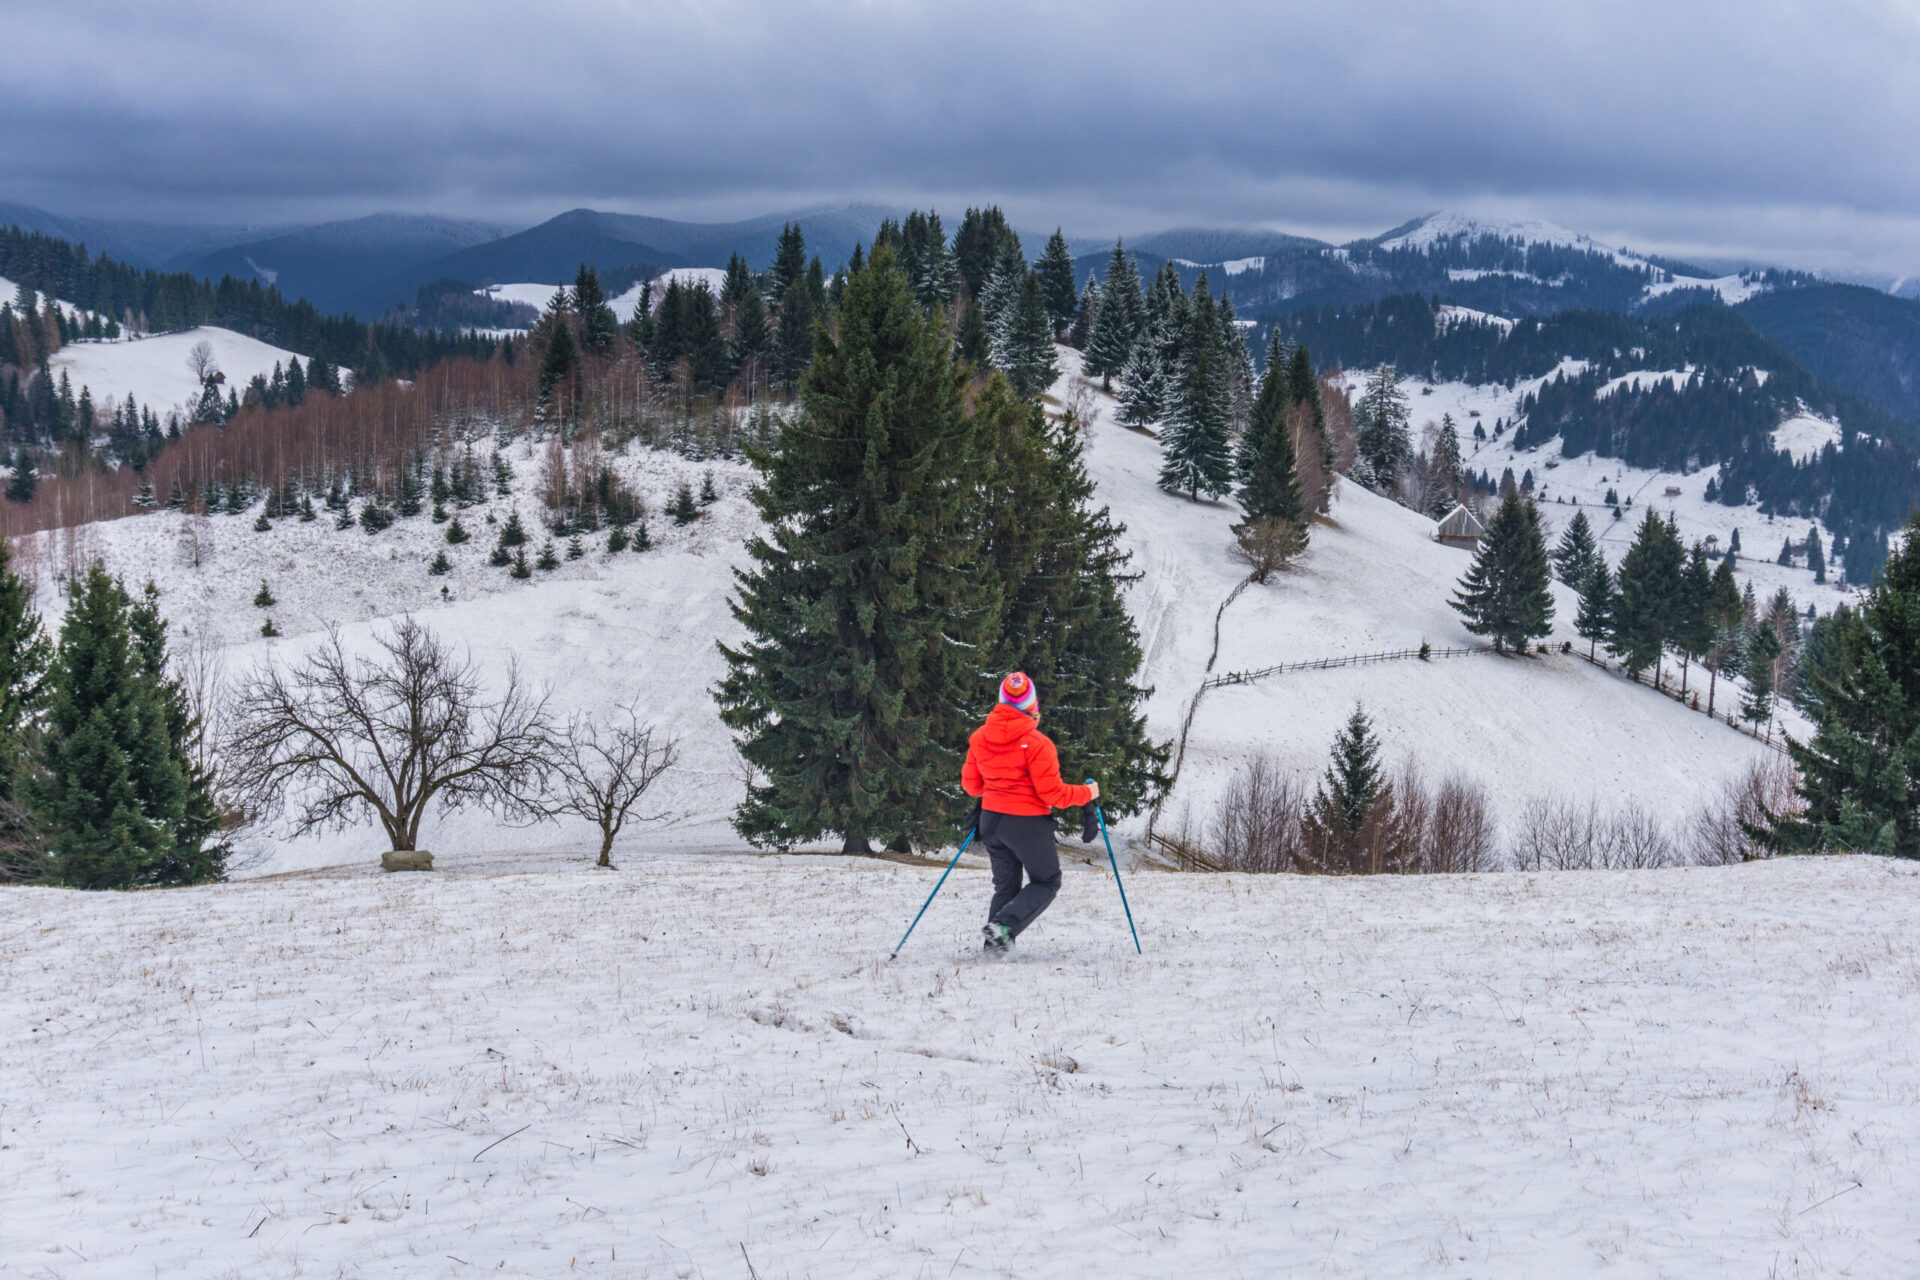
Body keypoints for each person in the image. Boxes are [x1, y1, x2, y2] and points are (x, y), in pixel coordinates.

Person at [961, 671, 1097, 954]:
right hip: (1027, 824)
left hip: (991, 822)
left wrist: (997, 786)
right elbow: (1053, 794)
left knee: (1006, 886)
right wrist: (1089, 793)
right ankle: (1003, 929)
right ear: (1032, 707)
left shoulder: (979, 737)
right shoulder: (1037, 744)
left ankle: (994, 948)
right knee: (1047, 881)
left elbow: (971, 786)